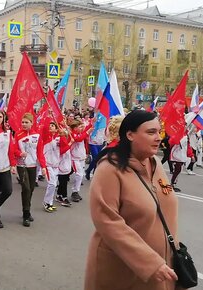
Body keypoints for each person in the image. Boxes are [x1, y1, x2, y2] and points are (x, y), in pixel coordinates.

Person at [85, 110, 179, 290]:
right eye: (151, 132)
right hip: (122, 270)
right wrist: (150, 262)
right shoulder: (109, 168)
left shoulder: (156, 163)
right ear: (129, 134)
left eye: (159, 132)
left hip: (161, 265)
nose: (158, 137)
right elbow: (108, 221)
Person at [15, 113, 39, 226]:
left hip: (33, 165)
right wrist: (20, 153)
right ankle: (26, 214)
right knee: (26, 188)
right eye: (23, 122)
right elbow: (13, 149)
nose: (24, 124)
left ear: (31, 123)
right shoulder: (18, 134)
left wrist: (43, 166)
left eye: (26, 122)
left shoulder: (36, 135)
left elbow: (40, 149)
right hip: (22, 165)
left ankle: (27, 209)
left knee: (32, 189)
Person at [69, 120, 93, 202]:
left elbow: (86, 131)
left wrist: (92, 123)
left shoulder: (80, 133)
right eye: (80, 127)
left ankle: (76, 191)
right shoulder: (72, 134)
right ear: (75, 128)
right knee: (79, 175)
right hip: (74, 158)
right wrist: (87, 132)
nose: (82, 128)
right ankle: (74, 192)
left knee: (80, 175)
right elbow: (78, 139)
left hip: (81, 158)